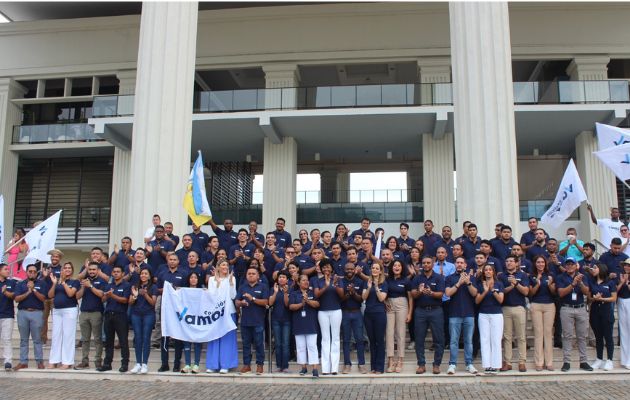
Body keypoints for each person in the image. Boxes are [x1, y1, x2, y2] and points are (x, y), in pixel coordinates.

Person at [555, 257, 593, 372]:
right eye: (567, 264)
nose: (569, 266)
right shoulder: (560, 277)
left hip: (580, 307)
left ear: (576, 265)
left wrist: (580, 282)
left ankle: (583, 361)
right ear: (565, 265)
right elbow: (561, 293)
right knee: (567, 336)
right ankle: (566, 362)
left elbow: (587, 293)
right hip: (566, 308)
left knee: (582, 336)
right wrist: (573, 284)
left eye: (572, 264)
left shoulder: (583, 276)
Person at [410, 256, 445, 375]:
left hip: (436, 311)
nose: (426, 264)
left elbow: (441, 294)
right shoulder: (417, 278)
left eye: (428, 262)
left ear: (433, 263)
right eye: (424, 263)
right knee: (419, 339)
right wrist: (419, 291)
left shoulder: (439, 277)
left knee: (439, 339)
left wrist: (431, 293)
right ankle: (421, 364)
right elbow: (413, 295)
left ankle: (436, 365)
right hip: (420, 311)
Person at [444, 256, 478, 375]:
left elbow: (474, 294)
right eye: (457, 262)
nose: (459, 264)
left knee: (468, 340)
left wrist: (468, 283)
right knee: (454, 341)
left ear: (465, 265)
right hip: (454, 314)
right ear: (455, 264)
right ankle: (452, 364)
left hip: (469, 314)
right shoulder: (449, 278)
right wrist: (459, 283)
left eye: (461, 263)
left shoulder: (472, 278)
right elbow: (448, 293)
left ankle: (469, 364)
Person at [498, 255, 530, 372]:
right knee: (507, 337)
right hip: (505, 308)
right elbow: (502, 291)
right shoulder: (501, 276)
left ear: (517, 263)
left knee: (521, 336)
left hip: (519, 308)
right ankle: (508, 362)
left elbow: (526, 292)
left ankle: (522, 362)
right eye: (507, 261)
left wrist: (516, 283)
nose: (509, 263)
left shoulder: (523, 275)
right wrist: (511, 286)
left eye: (511, 261)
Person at [13, 264, 47, 370]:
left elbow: (43, 298)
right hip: (23, 313)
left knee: (37, 339)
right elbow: (17, 299)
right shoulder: (20, 284)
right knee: (23, 339)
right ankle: (23, 362)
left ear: (37, 273)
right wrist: (28, 291)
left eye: (34, 271)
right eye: (30, 271)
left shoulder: (42, 283)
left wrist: (34, 290)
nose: (32, 273)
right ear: (26, 272)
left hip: (37, 313)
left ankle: (39, 362)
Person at [206, 259, 238, 374]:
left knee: (227, 339)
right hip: (215, 313)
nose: (225, 267)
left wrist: (230, 283)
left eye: (227, 265)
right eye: (223, 265)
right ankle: (212, 365)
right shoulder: (211, 279)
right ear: (218, 267)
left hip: (229, 312)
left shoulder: (232, 278)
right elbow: (211, 296)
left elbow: (233, 296)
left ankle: (226, 365)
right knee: (214, 338)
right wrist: (218, 284)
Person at [235, 266, 269, 374]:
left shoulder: (263, 286)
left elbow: (265, 302)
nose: (251, 275)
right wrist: (241, 303)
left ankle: (260, 365)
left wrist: (252, 299)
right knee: (246, 345)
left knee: (259, 344)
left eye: (253, 273)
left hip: (258, 321)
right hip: (245, 321)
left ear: (258, 276)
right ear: (246, 276)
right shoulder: (242, 287)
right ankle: (247, 365)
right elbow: (236, 301)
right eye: (249, 273)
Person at [98, 265, 131, 373]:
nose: (116, 273)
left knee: (123, 341)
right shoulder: (109, 285)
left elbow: (125, 300)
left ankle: (124, 364)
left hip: (120, 315)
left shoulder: (126, 285)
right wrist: (107, 296)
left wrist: (112, 295)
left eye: (118, 272)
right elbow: (103, 299)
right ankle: (107, 363)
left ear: (122, 274)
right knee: (108, 341)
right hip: (108, 315)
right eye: (114, 272)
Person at [156, 253, 186, 372]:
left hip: (178, 309)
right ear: (167, 261)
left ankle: (176, 363)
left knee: (178, 337)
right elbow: (157, 289)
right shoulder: (162, 274)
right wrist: (164, 290)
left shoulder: (183, 273)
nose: (172, 261)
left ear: (178, 261)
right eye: (170, 259)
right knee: (165, 337)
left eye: (174, 259)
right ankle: (164, 363)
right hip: (165, 308)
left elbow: (186, 290)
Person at [74, 261, 107, 370]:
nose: (91, 271)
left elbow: (102, 294)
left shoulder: (102, 281)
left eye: (94, 269)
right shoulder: (83, 281)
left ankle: (98, 361)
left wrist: (91, 286)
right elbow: (77, 297)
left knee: (97, 339)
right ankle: (84, 361)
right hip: (84, 313)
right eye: (90, 269)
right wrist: (84, 286)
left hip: (96, 313)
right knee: (85, 339)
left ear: (97, 271)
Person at [47, 262, 79, 369]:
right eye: (65, 268)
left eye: (69, 268)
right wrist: (54, 283)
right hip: (57, 310)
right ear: (62, 270)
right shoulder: (57, 282)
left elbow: (71, 294)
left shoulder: (75, 282)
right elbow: (50, 295)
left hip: (70, 310)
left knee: (68, 336)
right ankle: (54, 360)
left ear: (72, 270)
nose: (67, 269)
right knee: (56, 336)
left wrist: (64, 282)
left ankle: (67, 361)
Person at [314, 259, 342, 375]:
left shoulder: (337, 279)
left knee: (335, 338)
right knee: (325, 339)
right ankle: (325, 369)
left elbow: (342, 295)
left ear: (332, 268)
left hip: (336, 310)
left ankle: (334, 368)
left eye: (328, 267)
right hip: (322, 312)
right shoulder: (317, 281)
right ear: (320, 269)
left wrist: (334, 284)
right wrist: (325, 286)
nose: (326, 269)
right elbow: (316, 295)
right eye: (323, 267)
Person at [289, 273, 320, 377]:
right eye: (303, 280)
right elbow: (291, 306)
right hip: (299, 324)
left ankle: (315, 368)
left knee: (312, 346)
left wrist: (307, 301)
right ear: (298, 282)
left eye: (307, 280)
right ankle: (303, 367)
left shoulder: (312, 292)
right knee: (301, 347)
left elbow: (317, 304)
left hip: (311, 323)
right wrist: (301, 304)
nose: (306, 282)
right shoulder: (294, 294)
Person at [337, 262, 366, 374]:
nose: (349, 271)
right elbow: (340, 299)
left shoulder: (360, 281)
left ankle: (361, 364)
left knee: (359, 339)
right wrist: (349, 293)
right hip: (344, 313)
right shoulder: (341, 281)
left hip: (357, 313)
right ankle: (347, 364)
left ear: (355, 270)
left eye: (351, 269)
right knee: (346, 340)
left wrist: (354, 293)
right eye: (347, 269)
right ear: (344, 269)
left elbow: (361, 299)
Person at [529, 255, 556, 371]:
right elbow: (531, 293)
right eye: (538, 262)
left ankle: (549, 362)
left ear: (545, 263)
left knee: (548, 333)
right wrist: (538, 283)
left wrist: (549, 285)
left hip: (549, 305)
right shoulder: (531, 276)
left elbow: (554, 292)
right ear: (535, 264)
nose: (540, 264)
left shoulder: (551, 275)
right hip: (536, 305)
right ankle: (539, 362)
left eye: (542, 262)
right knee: (538, 333)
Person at [475, 264, 504, 374]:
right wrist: (485, 291)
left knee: (496, 340)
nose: (487, 271)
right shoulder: (479, 284)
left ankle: (496, 365)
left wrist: (492, 290)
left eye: (490, 270)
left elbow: (501, 300)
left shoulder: (499, 284)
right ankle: (487, 365)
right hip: (483, 314)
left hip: (496, 314)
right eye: (485, 270)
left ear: (493, 272)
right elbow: (477, 301)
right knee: (485, 339)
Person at [588, 264, 617, 371]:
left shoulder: (610, 282)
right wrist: (594, 298)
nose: (593, 270)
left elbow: (614, 298)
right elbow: (589, 298)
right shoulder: (592, 282)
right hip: (595, 312)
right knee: (598, 337)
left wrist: (602, 299)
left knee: (608, 336)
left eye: (595, 268)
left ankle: (609, 360)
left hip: (606, 312)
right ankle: (599, 359)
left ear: (601, 269)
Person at [128, 268, 157, 374]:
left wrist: (145, 294)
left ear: (149, 276)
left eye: (146, 274)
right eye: (142, 273)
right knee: (138, 338)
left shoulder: (153, 287)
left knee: (146, 338)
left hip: (148, 314)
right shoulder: (135, 286)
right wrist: (135, 295)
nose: (143, 275)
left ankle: (145, 364)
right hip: (136, 314)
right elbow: (130, 302)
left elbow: (153, 303)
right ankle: (138, 363)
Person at [385, 259, 412, 373]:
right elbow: (384, 293)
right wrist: (385, 303)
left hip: (402, 305)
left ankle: (400, 360)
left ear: (402, 268)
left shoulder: (406, 280)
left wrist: (410, 313)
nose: (396, 267)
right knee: (389, 333)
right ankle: (391, 361)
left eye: (399, 265)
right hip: (390, 306)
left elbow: (410, 298)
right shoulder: (387, 280)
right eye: (394, 265)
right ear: (391, 267)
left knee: (400, 334)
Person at [361, 262, 388, 374]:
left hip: (380, 314)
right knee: (372, 341)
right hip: (368, 314)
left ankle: (380, 367)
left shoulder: (384, 283)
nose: (375, 270)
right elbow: (363, 297)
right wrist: (368, 288)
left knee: (379, 340)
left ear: (380, 271)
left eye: (377, 268)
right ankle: (373, 367)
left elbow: (382, 299)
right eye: (373, 268)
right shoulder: (367, 282)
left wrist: (376, 286)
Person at [181, 271, 204, 374]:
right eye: (191, 277)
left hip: (198, 319)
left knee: (197, 342)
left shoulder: (202, 291)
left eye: (195, 277)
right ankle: (187, 364)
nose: (193, 279)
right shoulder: (183, 291)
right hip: (187, 319)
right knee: (186, 342)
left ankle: (196, 364)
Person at [269, 271, 291, 373]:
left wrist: (286, 293)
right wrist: (275, 292)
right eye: (280, 277)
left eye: (283, 277)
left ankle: (285, 366)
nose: (281, 279)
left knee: (285, 343)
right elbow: (270, 303)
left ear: (287, 280)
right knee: (278, 343)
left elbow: (287, 304)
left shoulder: (290, 289)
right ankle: (279, 365)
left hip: (287, 319)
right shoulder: (273, 289)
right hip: (276, 319)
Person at [41, 248, 63, 345]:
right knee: (43, 320)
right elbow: (39, 282)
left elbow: (63, 282)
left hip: (56, 298)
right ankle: (43, 339)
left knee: (57, 321)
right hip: (45, 298)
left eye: (56, 256)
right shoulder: (45, 268)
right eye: (53, 256)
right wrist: (45, 276)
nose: (54, 258)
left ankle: (56, 340)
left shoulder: (62, 269)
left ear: (59, 258)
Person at [0, 263, 16, 370]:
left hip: (7, 315)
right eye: (5, 269)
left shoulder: (12, 282)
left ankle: (8, 362)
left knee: (7, 339)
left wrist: (5, 292)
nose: (8, 271)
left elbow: (13, 296)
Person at [618, 258, 630, 369]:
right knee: (624, 331)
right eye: (625, 265)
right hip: (621, 301)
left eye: (629, 266)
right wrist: (622, 282)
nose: (627, 267)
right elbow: (615, 290)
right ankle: (625, 359)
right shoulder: (620, 276)